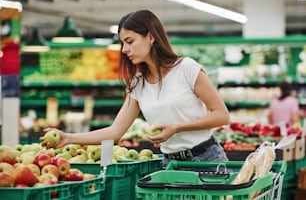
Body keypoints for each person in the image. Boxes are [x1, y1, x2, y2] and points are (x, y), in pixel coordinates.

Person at [41, 9, 230, 167]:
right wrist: (69, 138)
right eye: (122, 43)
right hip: (170, 164)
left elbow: (221, 115)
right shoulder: (137, 84)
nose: (124, 50)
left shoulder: (186, 68)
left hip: (206, 159)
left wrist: (178, 128)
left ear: (150, 37)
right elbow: (114, 132)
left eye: (129, 41)